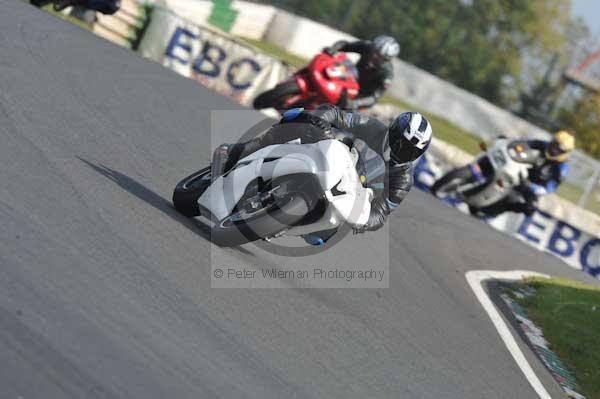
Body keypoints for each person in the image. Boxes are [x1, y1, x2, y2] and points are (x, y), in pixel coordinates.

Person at [211, 104, 432, 243]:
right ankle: (236, 151)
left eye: (412, 150)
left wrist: (364, 222)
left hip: (349, 190)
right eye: (402, 144)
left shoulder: (403, 178)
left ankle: (283, 225)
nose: (404, 152)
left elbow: (383, 211)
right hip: (333, 155)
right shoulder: (372, 126)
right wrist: (323, 123)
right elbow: (336, 114)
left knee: (320, 237)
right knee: (294, 121)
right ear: (392, 131)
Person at [476, 130, 575, 217]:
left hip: (530, 186)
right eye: (554, 144)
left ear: (564, 153)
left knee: (530, 209)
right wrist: (507, 141)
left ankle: (502, 208)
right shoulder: (541, 144)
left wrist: (531, 187)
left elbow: (549, 188)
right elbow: (521, 142)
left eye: (558, 149)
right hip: (519, 170)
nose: (553, 149)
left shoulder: (561, 168)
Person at [322, 35, 399, 110]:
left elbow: (374, 98)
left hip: (359, 97)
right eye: (374, 50)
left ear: (386, 59)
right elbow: (345, 44)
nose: (374, 55)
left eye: (378, 55)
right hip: (349, 78)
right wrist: (333, 49)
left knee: (340, 116)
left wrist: (354, 103)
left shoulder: (387, 75)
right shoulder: (368, 47)